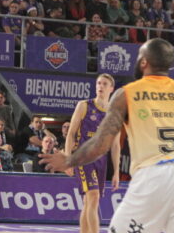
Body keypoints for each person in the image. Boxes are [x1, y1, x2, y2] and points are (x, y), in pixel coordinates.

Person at [40, 39, 174, 232]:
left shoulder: (126, 94)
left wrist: (69, 160)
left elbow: (101, 144)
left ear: (143, 62)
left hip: (152, 177)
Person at [63, 74, 120, 233]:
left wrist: (116, 171)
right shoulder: (84, 106)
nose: (100, 86)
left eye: (104, 84)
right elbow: (71, 134)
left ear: (111, 88)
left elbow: (115, 145)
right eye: (98, 83)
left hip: (101, 160)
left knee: (89, 202)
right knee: (93, 196)